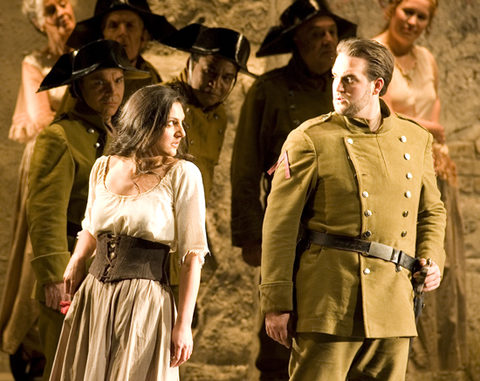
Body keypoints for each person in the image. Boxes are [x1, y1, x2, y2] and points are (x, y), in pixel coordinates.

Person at [260, 38, 446, 381]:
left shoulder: (416, 138)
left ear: (377, 86)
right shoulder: (310, 138)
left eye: (349, 79)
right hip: (329, 301)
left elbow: (431, 211)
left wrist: (432, 257)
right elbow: (279, 225)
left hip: (394, 301)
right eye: (335, 77)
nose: (337, 87)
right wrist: (276, 302)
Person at [230, 1, 355, 379]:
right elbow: (246, 169)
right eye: (317, 33)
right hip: (290, 234)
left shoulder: (348, 93)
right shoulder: (269, 91)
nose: (328, 41)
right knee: (280, 335)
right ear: (296, 40)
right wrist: (252, 237)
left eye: (332, 32)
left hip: (342, 237)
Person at [49, 85, 208, 381]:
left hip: (144, 302)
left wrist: (183, 325)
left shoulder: (183, 175)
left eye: (182, 123)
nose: (181, 133)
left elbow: (192, 257)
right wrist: (77, 258)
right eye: (172, 123)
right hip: (94, 296)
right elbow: (91, 227)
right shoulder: (102, 168)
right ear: (145, 122)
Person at [26, 39, 149, 381]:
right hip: (67, 272)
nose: (112, 91)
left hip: (108, 274)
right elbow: (45, 212)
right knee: (65, 370)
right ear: (79, 87)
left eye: (118, 81)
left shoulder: (118, 136)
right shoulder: (61, 136)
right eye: (99, 83)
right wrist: (52, 276)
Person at [373, 0, 468, 376]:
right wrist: (421, 126)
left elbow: (436, 111)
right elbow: (370, 112)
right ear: (390, 9)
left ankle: (429, 369)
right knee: (400, 267)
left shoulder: (427, 58)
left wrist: (435, 143)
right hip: (395, 171)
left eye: (421, 16)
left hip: (435, 169)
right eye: (406, 11)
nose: (412, 21)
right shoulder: (374, 53)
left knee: (439, 264)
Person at [0, 0, 75, 379]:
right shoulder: (37, 64)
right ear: (38, 22)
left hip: (85, 154)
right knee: (38, 242)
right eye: (50, 9)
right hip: (48, 157)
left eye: (63, 2)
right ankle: (27, 338)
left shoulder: (89, 52)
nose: (61, 11)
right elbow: (43, 118)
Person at [161, 24, 255, 202]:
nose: (216, 84)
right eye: (209, 72)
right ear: (191, 64)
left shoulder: (219, 116)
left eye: (227, 78)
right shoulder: (159, 102)